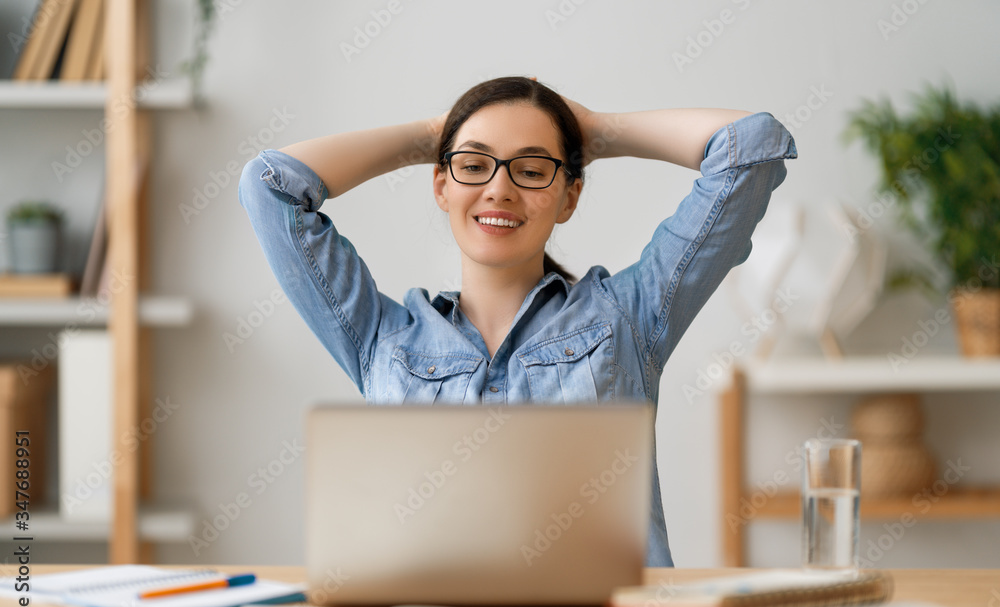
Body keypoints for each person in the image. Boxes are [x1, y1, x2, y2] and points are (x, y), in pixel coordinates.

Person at [238, 76, 797, 566]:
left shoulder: (628, 317)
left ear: (569, 196)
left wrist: (598, 130)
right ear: (441, 185)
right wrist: (432, 134)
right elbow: (269, 185)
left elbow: (751, 148)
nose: (499, 188)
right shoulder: (382, 338)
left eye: (532, 169)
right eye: (473, 166)